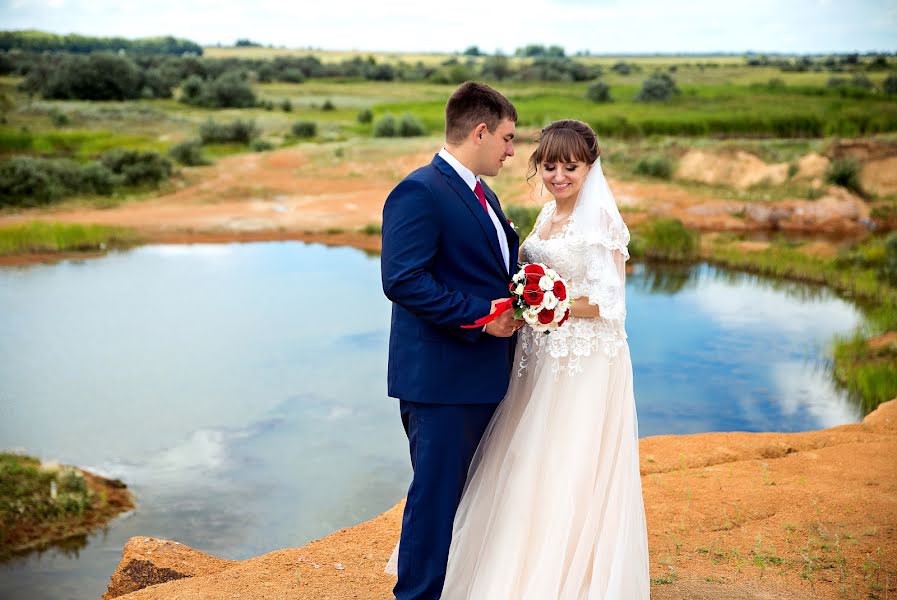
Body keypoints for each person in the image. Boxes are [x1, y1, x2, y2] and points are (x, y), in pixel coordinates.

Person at [440, 120, 650, 599]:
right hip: (539, 354)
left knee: (566, 456)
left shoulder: (602, 222)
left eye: (570, 167)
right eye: (550, 165)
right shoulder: (545, 218)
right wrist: (528, 301)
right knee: (524, 452)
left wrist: (551, 304)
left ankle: (564, 576)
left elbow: (611, 302)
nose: (559, 176)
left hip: (583, 360)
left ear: (589, 167)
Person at [380, 81, 521, 600]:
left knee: (472, 499)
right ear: (480, 131)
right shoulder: (420, 190)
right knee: (434, 503)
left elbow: (489, 269)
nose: (511, 150)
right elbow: (403, 280)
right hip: (441, 382)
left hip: (482, 378)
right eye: (507, 138)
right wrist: (480, 318)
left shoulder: (482, 194)